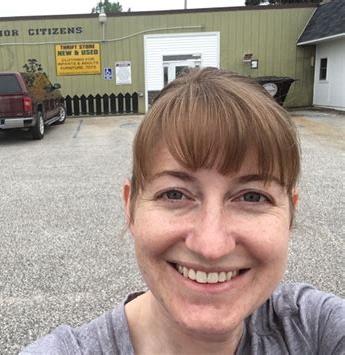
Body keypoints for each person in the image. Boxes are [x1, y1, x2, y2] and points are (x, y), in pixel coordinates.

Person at [20, 68, 344, 354]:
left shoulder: (316, 328)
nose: (211, 246)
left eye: (253, 197)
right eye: (175, 194)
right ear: (130, 208)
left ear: (291, 214)